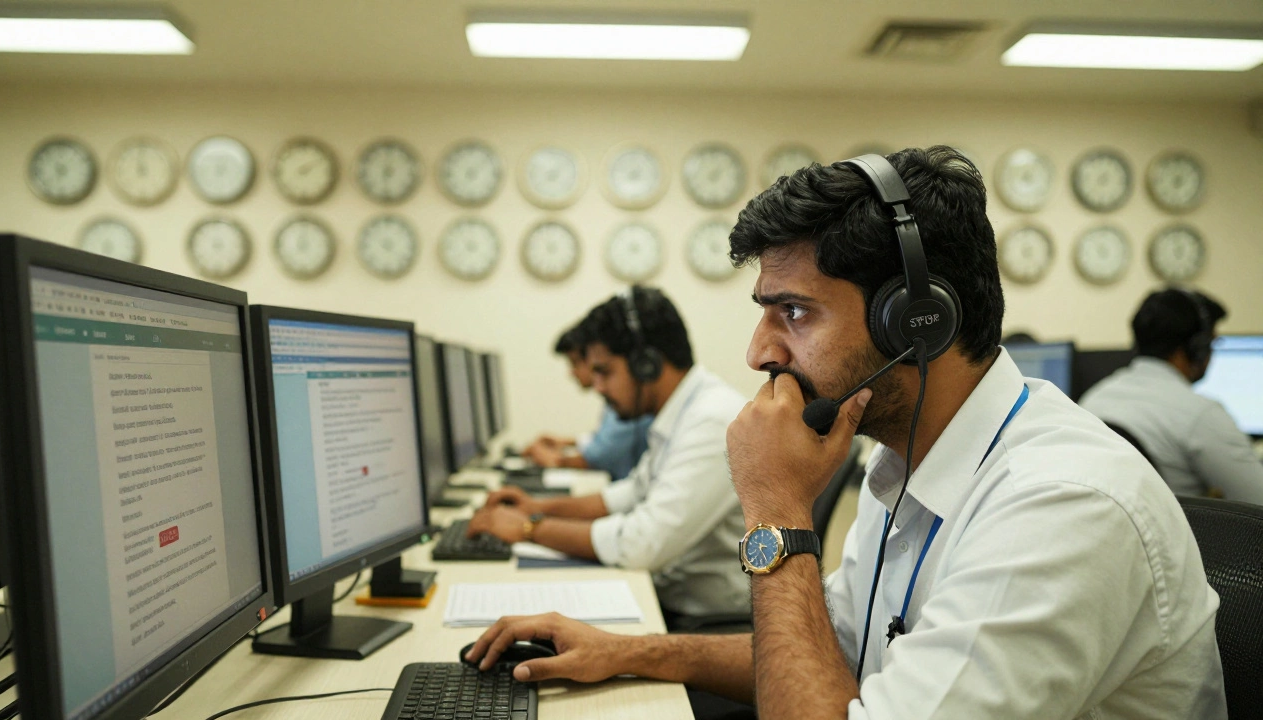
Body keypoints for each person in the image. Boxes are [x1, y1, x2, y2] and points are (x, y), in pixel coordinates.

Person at [463, 148, 1227, 719]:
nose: (759, 352)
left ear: (916, 320)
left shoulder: (1062, 506)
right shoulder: (907, 462)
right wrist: (631, 652)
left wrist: (776, 511)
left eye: (792, 312)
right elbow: (833, 641)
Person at [469, 286, 751, 618]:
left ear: (647, 364)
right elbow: (629, 494)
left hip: (709, 622)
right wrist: (537, 507)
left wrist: (529, 528)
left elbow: (641, 545)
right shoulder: (681, 413)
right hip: (669, 599)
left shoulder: (714, 421)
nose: (596, 386)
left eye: (604, 371)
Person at [1080, 288, 1263, 504]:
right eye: (1212, 343)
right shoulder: (1200, 415)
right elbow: (1257, 501)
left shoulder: (1092, 399)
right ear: (1198, 348)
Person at [522, 320, 653, 480]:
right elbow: (605, 439)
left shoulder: (628, 401)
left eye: (574, 363)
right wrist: (569, 442)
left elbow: (601, 456)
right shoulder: (615, 399)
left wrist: (556, 460)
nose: (571, 372)